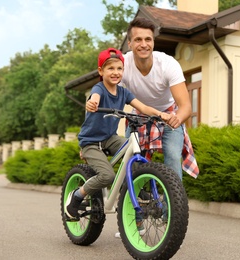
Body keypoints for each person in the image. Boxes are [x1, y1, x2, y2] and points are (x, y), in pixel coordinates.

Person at [65, 47, 172, 221]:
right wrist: (92, 104)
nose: (116, 73)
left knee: (133, 151)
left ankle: (136, 188)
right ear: (101, 71)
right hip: (91, 142)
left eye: (119, 68)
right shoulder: (98, 88)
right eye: (110, 68)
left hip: (109, 139)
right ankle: (76, 197)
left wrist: (161, 115)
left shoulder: (123, 92)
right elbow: (95, 98)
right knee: (107, 176)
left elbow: (142, 107)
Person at [120, 17, 199, 180]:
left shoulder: (168, 64)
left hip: (168, 114)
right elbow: (109, 98)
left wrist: (176, 119)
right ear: (130, 44)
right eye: (138, 40)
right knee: (129, 160)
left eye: (148, 39)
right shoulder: (122, 65)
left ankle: (173, 204)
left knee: (171, 156)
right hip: (139, 114)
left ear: (153, 42)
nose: (144, 44)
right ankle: (132, 200)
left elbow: (185, 107)